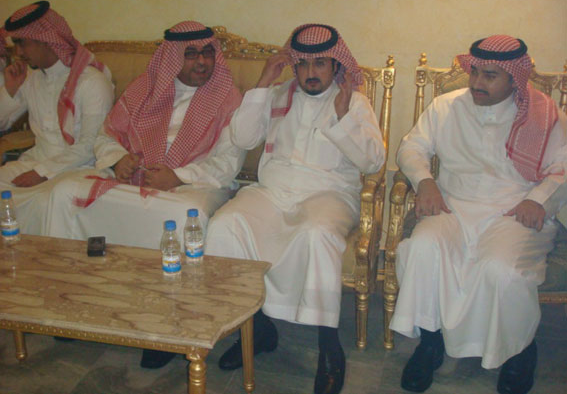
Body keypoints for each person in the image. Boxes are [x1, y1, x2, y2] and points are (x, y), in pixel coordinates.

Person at [44, 21, 245, 368]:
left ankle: (168, 321)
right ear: (171, 59)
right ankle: (75, 300)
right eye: (191, 54)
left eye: (207, 53)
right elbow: (106, 136)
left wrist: (178, 176)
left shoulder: (227, 97)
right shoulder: (143, 89)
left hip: (196, 185)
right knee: (64, 192)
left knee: (181, 217)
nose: (202, 62)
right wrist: (117, 159)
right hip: (136, 178)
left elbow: (229, 162)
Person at [205, 23, 385, 394]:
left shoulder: (353, 101)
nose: (310, 73)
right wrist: (264, 81)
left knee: (317, 234)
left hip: (329, 195)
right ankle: (257, 327)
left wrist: (342, 117)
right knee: (226, 223)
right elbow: (243, 137)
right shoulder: (277, 95)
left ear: (335, 66)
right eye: (302, 64)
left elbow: (373, 161)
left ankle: (329, 347)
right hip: (273, 192)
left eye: (320, 64)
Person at [390, 35, 567, 394]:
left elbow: (562, 166)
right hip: (453, 205)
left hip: (514, 213)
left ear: (514, 79)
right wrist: (425, 181)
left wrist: (539, 199)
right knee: (422, 248)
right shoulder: (446, 106)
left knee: (500, 269)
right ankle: (431, 343)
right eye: (474, 72)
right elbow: (412, 147)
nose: (476, 83)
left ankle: (518, 352)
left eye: (490, 76)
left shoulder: (544, 114)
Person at [0, 0, 114, 233]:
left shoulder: (92, 81)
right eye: (15, 44)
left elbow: (91, 145)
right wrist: (10, 89)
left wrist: (42, 173)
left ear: (46, 40)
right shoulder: (31, 78)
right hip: (36, 161)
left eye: (22, 43)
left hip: (81, 168)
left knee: (47, 202)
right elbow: (3, 123)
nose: (18, 53)